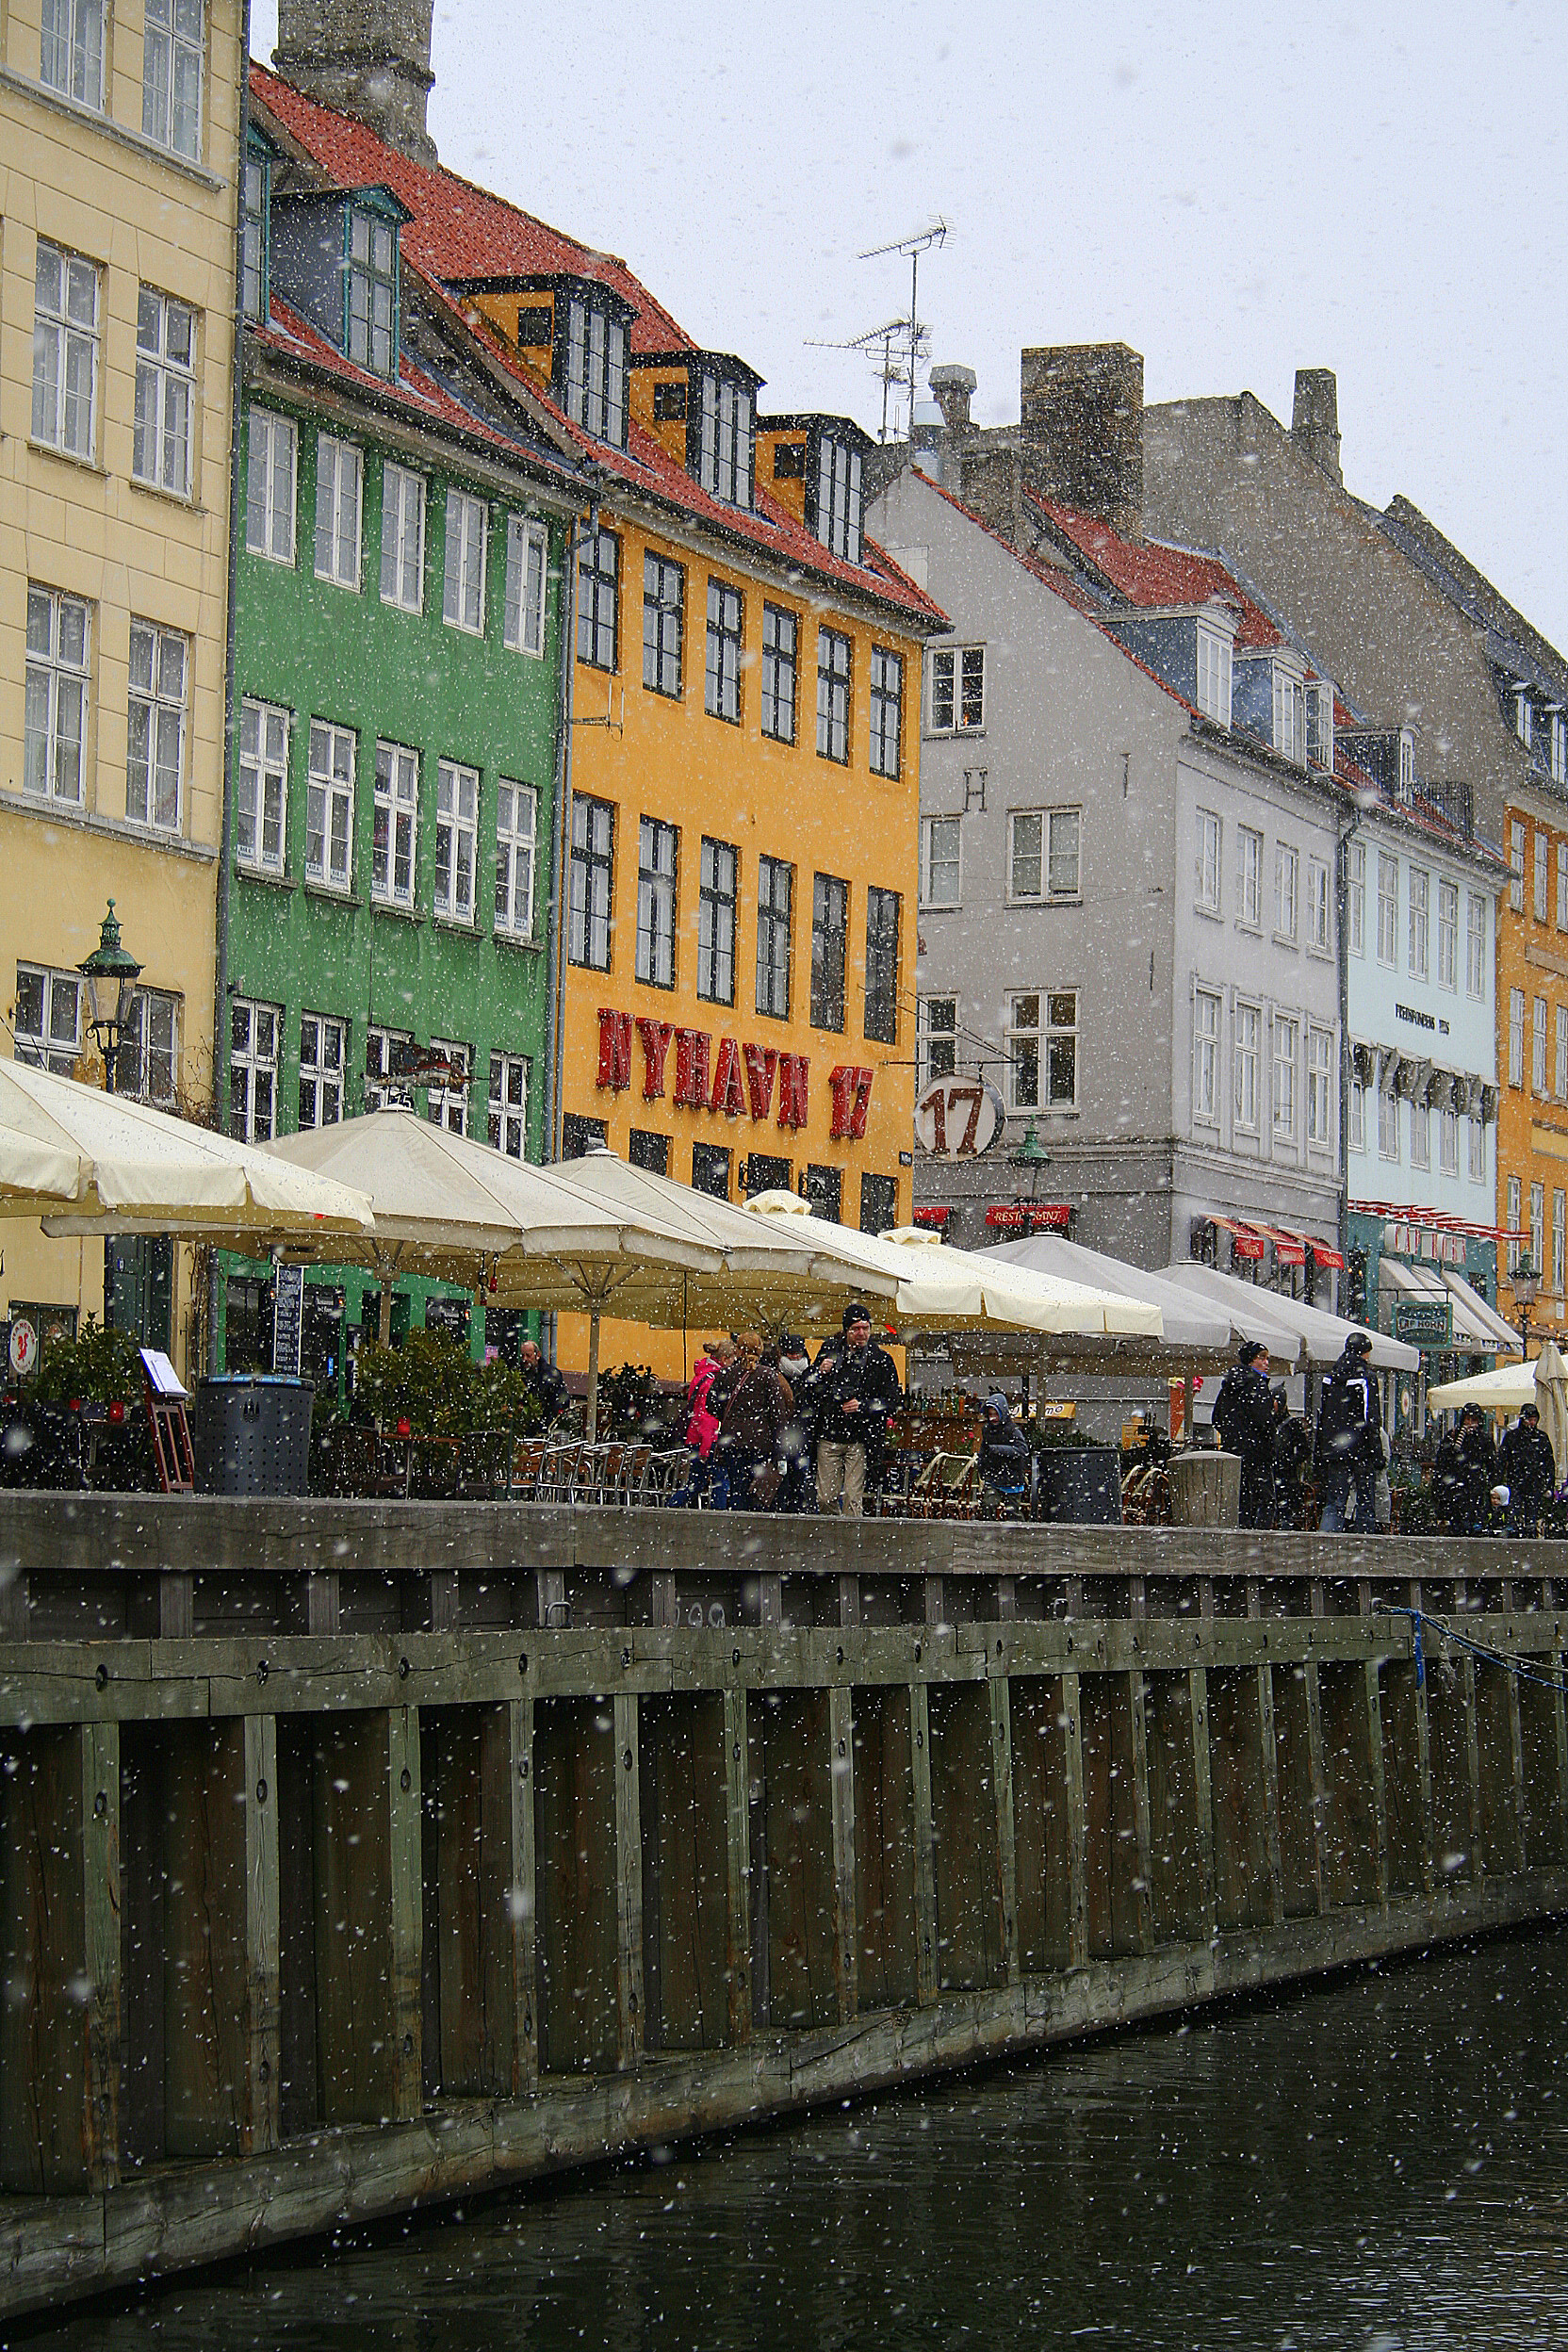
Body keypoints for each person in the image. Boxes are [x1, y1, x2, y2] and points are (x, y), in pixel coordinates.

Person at [812, 1303, 902, 1517]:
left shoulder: (881, 1360)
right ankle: (830, 1538)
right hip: (829, 1434)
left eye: (865, 1328)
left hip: (860, 1438)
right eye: (855, 1329)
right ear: (846, 1330)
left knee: (853, 1500)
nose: (861, 1333)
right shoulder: (830, 1352)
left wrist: (863, 1406)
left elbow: (893, 1402)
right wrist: (819, 1372)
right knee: (825, 1498)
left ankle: (851, 1544)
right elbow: (809, 1389)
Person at [1313, 1330, 1381, 1532]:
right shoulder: (1366, 1378)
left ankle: (1326, 1544)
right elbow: (1371, 1417)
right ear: (1364, 1353)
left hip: (1336, 1447)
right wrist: (1375, 1449)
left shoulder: (1330, 1378)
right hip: (1360, 1447)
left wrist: (1323, 1448)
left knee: (1335, 1502)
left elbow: (1324, 1416)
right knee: (1365, 1500)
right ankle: (1363, 1546)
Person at [717, 1338, 792, 1509]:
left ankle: (737, 1525)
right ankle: (754, 1527)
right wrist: (780, 1449)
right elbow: (778, 1414)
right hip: (760, 1442)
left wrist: (731, 1419)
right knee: (758, 1491)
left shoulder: (726, 1374)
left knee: (737, 1487)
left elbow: (712, 1405)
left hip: (732, 1441)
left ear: (738, 1350)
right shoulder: (768, 1376)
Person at [1212, 1340, 1277, 1528]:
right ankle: (1259, 1540)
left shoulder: (1230, 1385)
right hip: (1257, 1452)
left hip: (1234, 1450)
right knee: (1266, 1499)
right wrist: (1267, 1440)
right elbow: (1262, 1419)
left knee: (1241, 1498)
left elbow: (1217, 1417)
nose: (1267, 1363)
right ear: (1251, 1360)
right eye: (1262, 1358)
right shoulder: (1256, 1384)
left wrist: (1233, 1435)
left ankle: (1242, 1535)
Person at [1433, 1402, 1497, 1537]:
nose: (1469, 1423)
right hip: (1455, 1486)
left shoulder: (1483, 1439)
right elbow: (1442, 1462)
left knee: (1473, 1523)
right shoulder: (1453, 1436)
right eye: (1467, 1419)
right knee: (1456, 1524)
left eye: (1473, 1420)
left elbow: (1491, 1464)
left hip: (1474, 1487)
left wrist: (1491, 1484)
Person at [1498, 1399, 1556, 1537]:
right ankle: (1513, 1529)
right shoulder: (1513, 1437)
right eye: (1529, 1419)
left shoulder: (1541, 1438)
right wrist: (1500, 1480)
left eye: (1534, 1419)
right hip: (1516, 1481)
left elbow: (1549, 1462)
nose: (1532, 1422)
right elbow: (1502, 1459)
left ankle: (1528, 1531)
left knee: (1532, 1512)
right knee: (1513, 1510)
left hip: (1534, 1482)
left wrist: (1549, 1484)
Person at [1271, 1391, 1313, 1532]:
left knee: (1285, 1511)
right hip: (1273, 1472)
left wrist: (1289, 1462)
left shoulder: (1292, 1424)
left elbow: (1304, 1450)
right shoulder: (1268, 1422)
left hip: (1286, 1475)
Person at [978, 1392, 1032, 1497]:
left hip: (1012, 1480)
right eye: (990, 1415)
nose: (993, 1418)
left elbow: (1023, 1450)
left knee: (1012, 1512)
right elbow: (983, 1451)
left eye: (996, 1414)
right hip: (993, 1479)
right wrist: (982, 1467)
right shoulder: (987, 1430)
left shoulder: (1013, 1430)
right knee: (988, 1504)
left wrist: (998, 1450)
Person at [517, 1338, 568, 1428]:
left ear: (538, 1355)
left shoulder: (551, 1375)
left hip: (545, 1423)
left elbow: (560, 1401)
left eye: (528, 1355)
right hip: (524, 1424)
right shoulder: (519, 1373)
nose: (525, 1359)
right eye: (522, 1356)